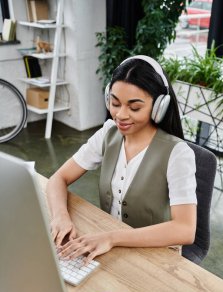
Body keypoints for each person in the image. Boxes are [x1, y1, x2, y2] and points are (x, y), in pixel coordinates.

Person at [46, 55, 197, 265]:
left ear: (159, 107)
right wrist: (60, 217)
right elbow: (58, 178)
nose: (120, 115)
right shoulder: (109, 132)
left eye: (134, 108)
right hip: (111, 248)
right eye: (115, 103)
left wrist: (111, 237)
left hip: (156, 256)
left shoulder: (178, 153)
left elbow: (185, 229)